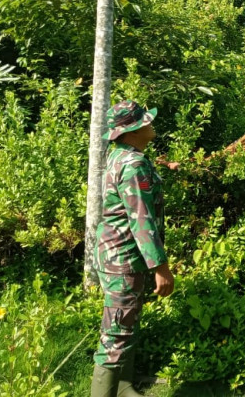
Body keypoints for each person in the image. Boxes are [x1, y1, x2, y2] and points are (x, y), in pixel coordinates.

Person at [91, 101, 175, 397]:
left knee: (126, 321)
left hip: (114, 254)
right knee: (116, 333)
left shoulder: (122, 156)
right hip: (123, 257)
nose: (150, 123)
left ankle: (124, 385)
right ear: (132, 131)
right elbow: (142, 220)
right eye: (144, 121)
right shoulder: (133, 164)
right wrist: (161, 269)